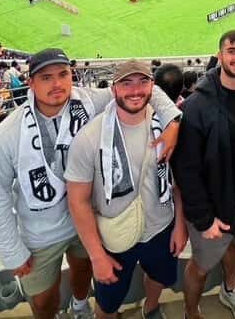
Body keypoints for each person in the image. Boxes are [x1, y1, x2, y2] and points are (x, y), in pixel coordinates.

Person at [0, 48, 182, 319]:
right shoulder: (7, 133)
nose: (57, 84)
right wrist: (11, 250)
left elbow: (141, 88)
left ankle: (79, 306)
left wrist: (172, 122)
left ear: (71, 76)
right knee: (42, 299)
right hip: (41, 229)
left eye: (63, 75)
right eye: (46, 77)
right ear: (31, 83)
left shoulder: (87, 99)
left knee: (83, 272)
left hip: (90, 217)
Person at [67, 60, 188, 319]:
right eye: (126, 83)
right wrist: (96, 255)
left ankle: (151, 308)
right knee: (108, 301)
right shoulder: (90, 137)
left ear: (152, 87)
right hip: (115, 235)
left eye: (143, 82)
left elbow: (177, 181)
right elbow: (78, 201)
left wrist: (180, 224)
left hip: (161, 226)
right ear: (114, 90)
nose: (135, 90)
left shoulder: (168, 128)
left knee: (159, 278)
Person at [172, 30, 235, 319]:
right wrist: (203, 218)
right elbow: (186, 169)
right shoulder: (197, 105)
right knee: (200, 266)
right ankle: (191, 312)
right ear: (220, 54)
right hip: (212, 205)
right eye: (232, 51)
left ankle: (230, 288)